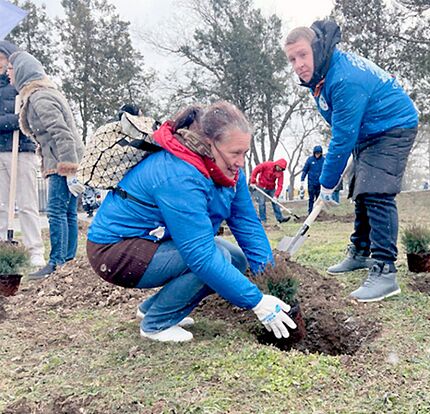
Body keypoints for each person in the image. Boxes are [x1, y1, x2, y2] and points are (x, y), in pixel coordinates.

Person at [86, 102, 296, 342]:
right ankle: (155, 324)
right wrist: (257, 302)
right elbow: (199, 254)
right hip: (115, 250)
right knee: (216, 258)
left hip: (153, 240)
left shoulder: (228, 171)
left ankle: (151, 309)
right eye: (234, 153)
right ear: (209, 144)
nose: (240, 161)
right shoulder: (179, 174)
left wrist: (269, 278)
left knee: (236, 259)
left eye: (244, 153)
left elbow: (246, 223)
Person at [284, 20, 418, 302]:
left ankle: (385, 272)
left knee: (377, 192)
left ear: (317, 50)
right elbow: (344, 129)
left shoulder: (344, 78)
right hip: (369, 131)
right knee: (362, 191)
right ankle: (360, 251)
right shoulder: (321, 73)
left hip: (393, 127)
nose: (298, 64)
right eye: (292, 59)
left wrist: (327, 182)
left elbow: (342, 137)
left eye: (302, 55)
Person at [8, 51, 85, 279]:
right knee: (68, 211)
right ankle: (67, 261)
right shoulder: (41, 94)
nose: (8, 74)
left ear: (21, 71)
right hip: (61, 158)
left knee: (55, 211)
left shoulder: (40, 98)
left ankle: (57, 262)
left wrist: (69, 170)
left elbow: (61, 133)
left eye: (11, 69)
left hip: (62, 160)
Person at [0, 41, 45, 267]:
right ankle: (2, 247)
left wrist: (16, 121)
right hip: (0, 151)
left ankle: (34, 250)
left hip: (22, 150)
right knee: (1, 204)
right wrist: (11, 122)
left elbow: (29, 117)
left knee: (27, 203)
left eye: (1, 59)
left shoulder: (21, 85)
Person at [249, 159, 290, 223]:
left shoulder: (280, 173)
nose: (279, 169)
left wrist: (276, 196)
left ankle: (280, 218)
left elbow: (280, 185)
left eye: (281, 169)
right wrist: (253, 181)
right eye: (279, 168)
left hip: (271, 188)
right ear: (277, 164)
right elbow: (256, 170)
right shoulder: (267, 165)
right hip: (261, 186)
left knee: (275, 202)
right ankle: (263, 220)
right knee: (261, 203)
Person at [300, 145, 324, 213]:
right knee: (311, 198)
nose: (317, 155)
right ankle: (310, 212)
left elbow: (326, 171)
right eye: (316, 153)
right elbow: (305, 170)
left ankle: (317, 212)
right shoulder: (310, 160)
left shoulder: (323, 160)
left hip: (320, 183)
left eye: (319, 153)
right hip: (311, 183)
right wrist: (302, 180)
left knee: (319, 199)